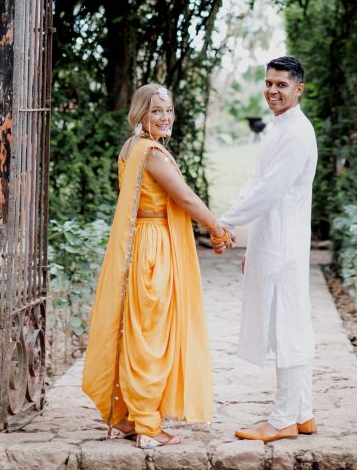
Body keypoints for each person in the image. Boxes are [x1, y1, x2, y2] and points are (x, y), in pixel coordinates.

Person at [82, 83, 233, 449]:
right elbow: (183, 196)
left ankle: (132, 417)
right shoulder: (151, 153)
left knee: (140, 331)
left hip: (144, 243)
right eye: (156, 111)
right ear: (141, 114)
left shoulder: (132, 147)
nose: (164, 117)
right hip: (153, 248)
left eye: (168, 110)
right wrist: (217, 229)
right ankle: (148, 428)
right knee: (152, 335)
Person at [219, 56, 318, 442]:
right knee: (290, 325)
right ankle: (304, 412)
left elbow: (269, 191)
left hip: (285, 243)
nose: (273, 91)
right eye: (269, 83)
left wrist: (224, 224)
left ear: (299, 89)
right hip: (272, 239)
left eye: (281, 84)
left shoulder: (296, 133)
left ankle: (282, 420)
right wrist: (251, 248)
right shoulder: (278, 128)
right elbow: (256, 181)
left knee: (289, 328)